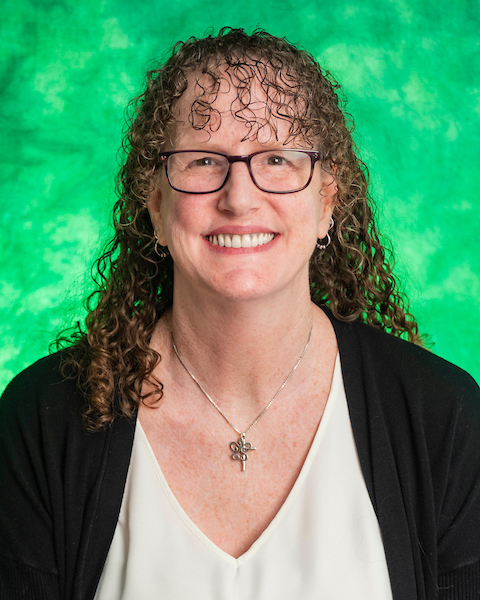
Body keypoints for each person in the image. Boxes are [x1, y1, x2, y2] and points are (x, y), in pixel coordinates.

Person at [1, 27, 479, 600]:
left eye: (276, 158)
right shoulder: (41, 418)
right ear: (154, 202)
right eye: (204, 159)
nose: (240, 197)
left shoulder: (443, 418)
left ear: (328, 201)